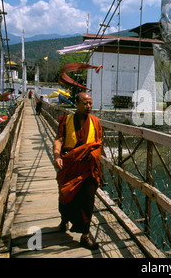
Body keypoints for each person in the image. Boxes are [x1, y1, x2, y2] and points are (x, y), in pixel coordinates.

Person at [53, 92, 103, 250]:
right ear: (77, 104)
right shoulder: (65, 120)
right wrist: (57, 156)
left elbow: (98, 143)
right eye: (85, 103)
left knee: (88, 201)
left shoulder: (95, 121)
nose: (89, 106)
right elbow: (59, 140)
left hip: (88, 167)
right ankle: (64, 219)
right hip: (70, 165)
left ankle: (85, 236)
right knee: (66, 195)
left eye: (90, 103)